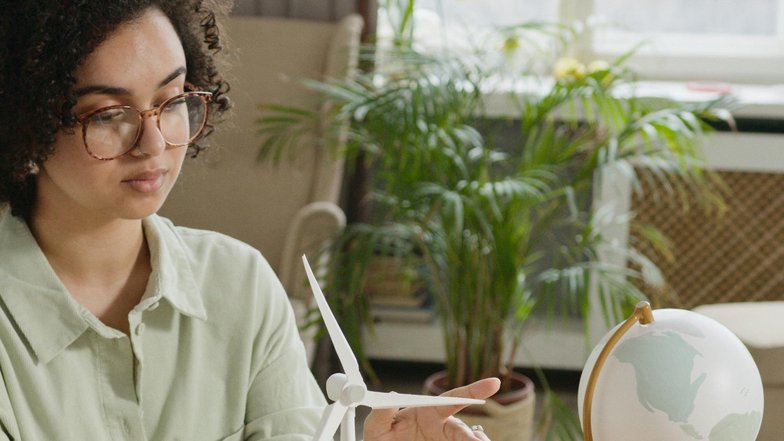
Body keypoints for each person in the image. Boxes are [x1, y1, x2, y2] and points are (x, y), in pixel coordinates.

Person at [0, 1, 500, 440]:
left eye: (173, 100)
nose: (154, 144)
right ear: (27, 119)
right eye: (108, 114)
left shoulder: (240, 284)